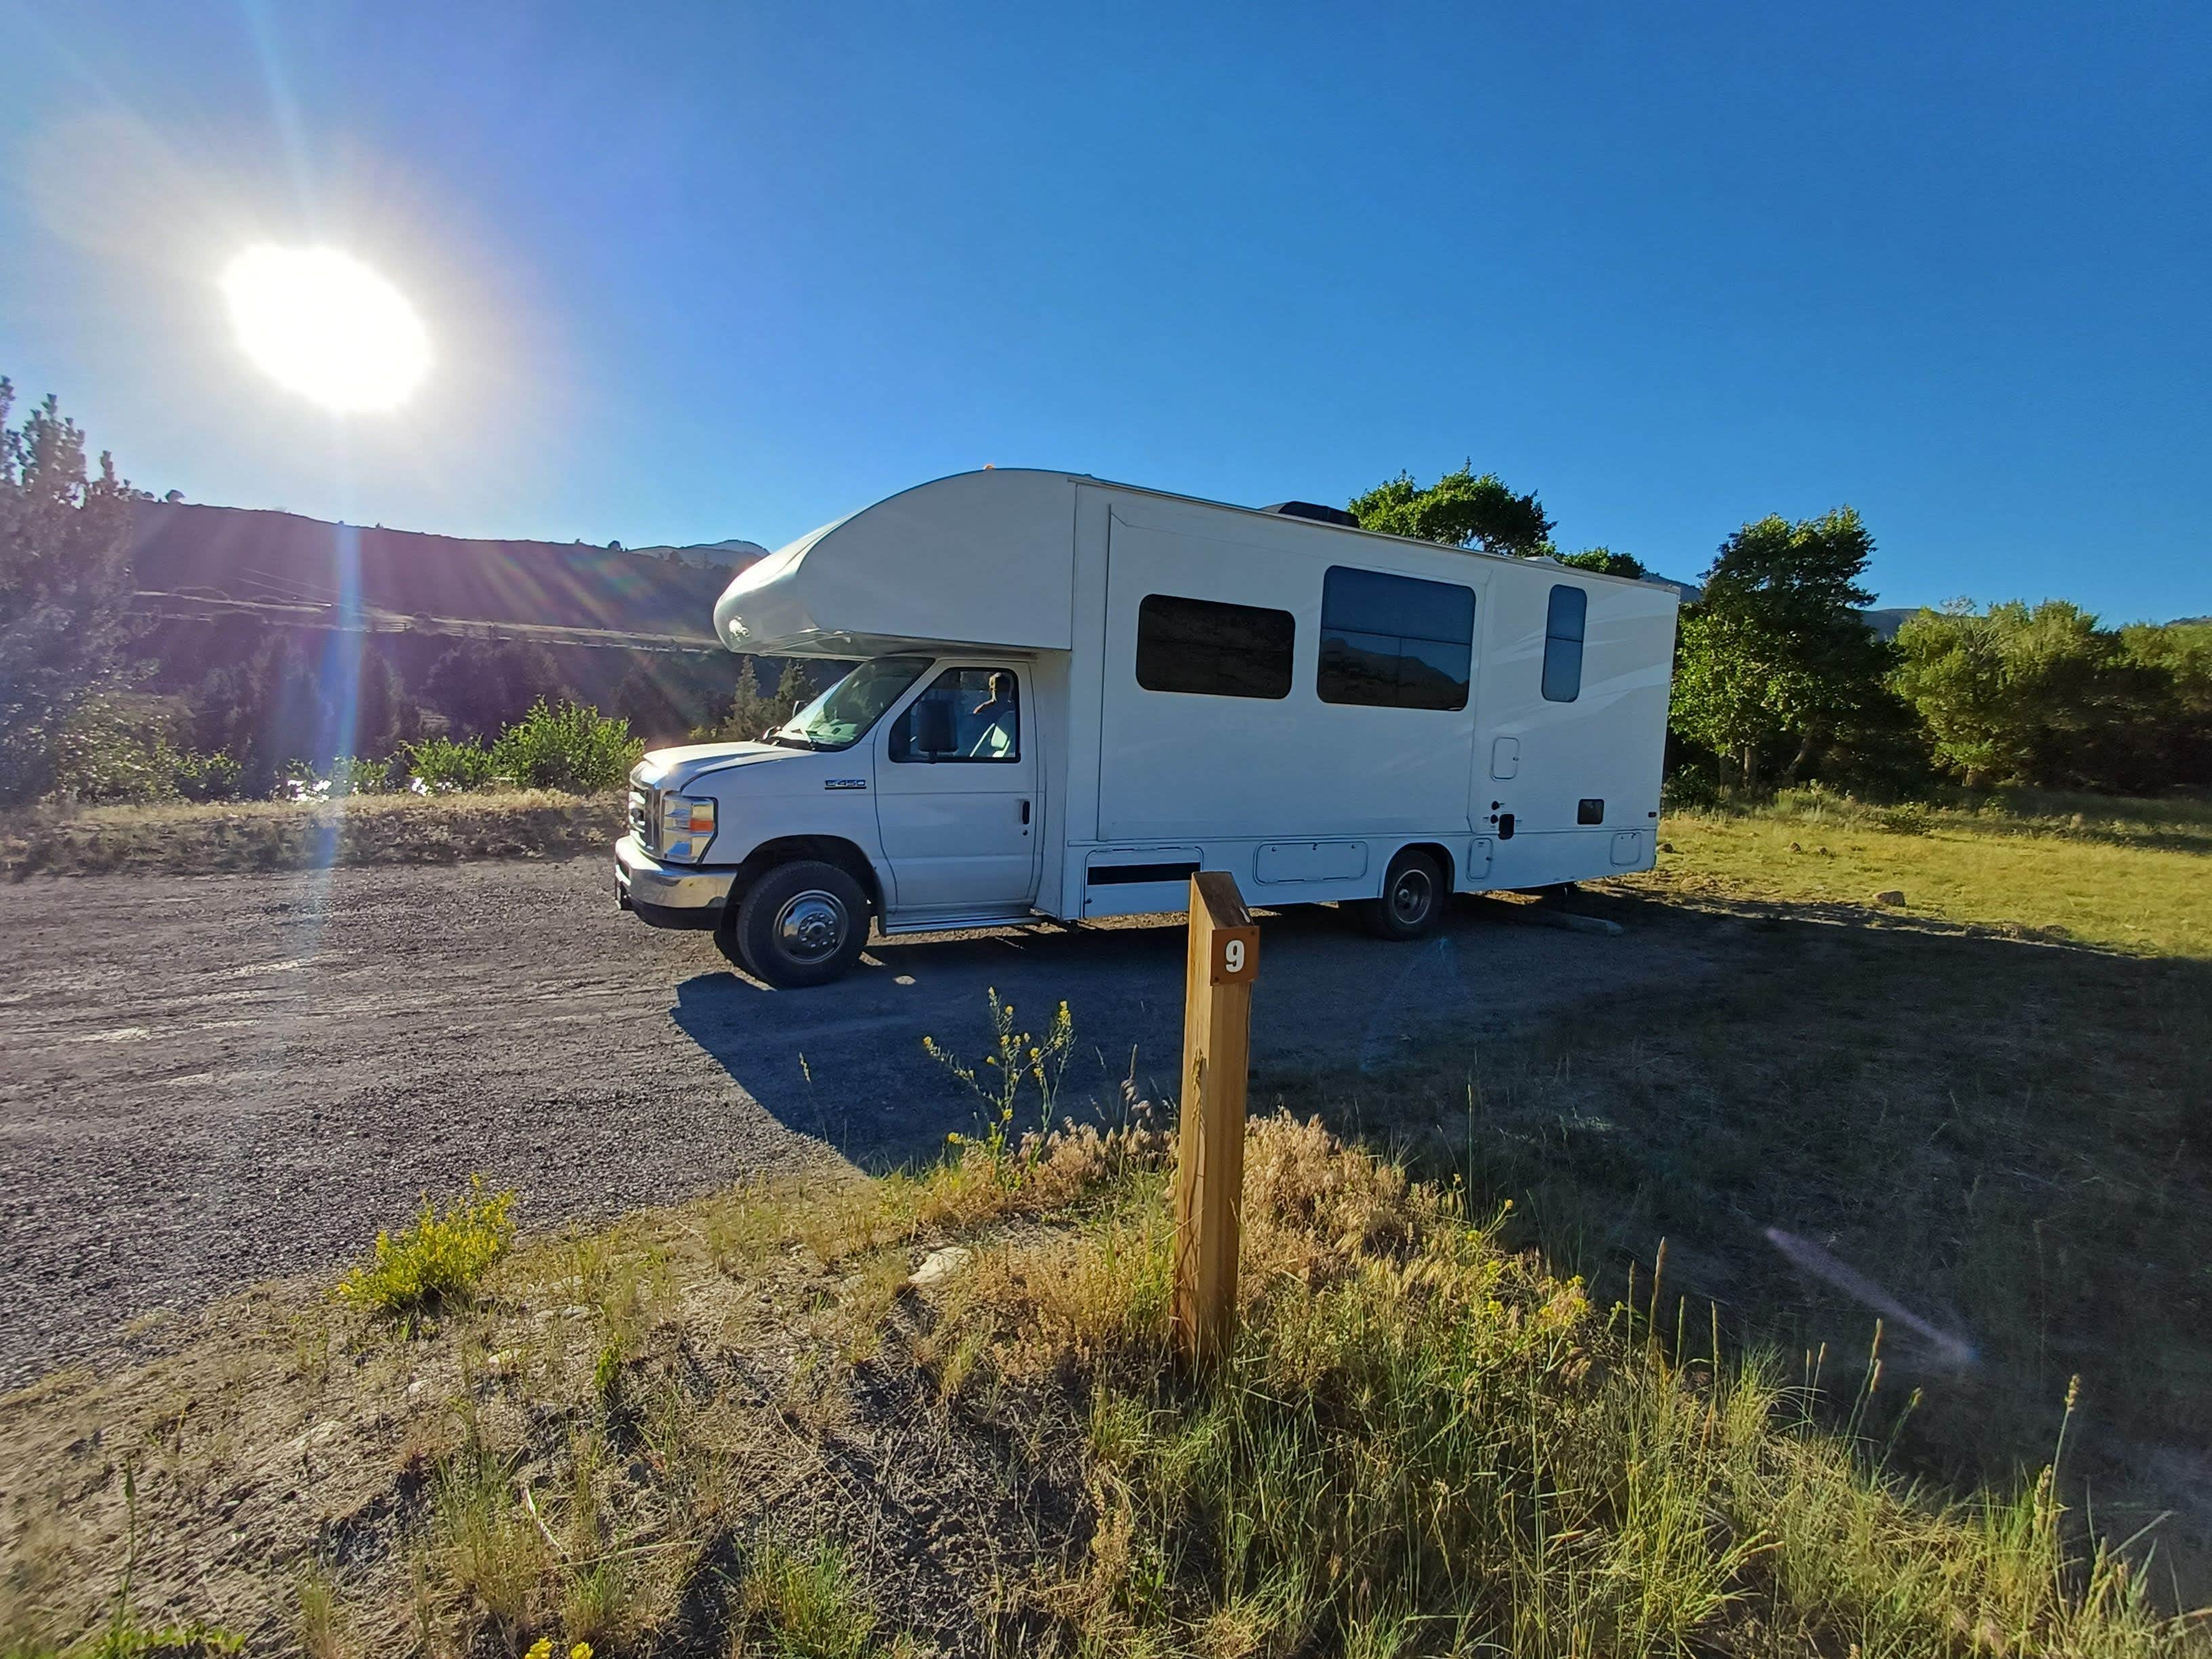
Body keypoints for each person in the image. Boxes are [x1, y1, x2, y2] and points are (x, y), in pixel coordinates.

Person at [968, 671, 1018, 758]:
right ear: (991, 690)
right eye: (999, 690)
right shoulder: (982, 710)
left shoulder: (1015, 710)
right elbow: (972, 737)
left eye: (1005, 690)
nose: (1003, 694)